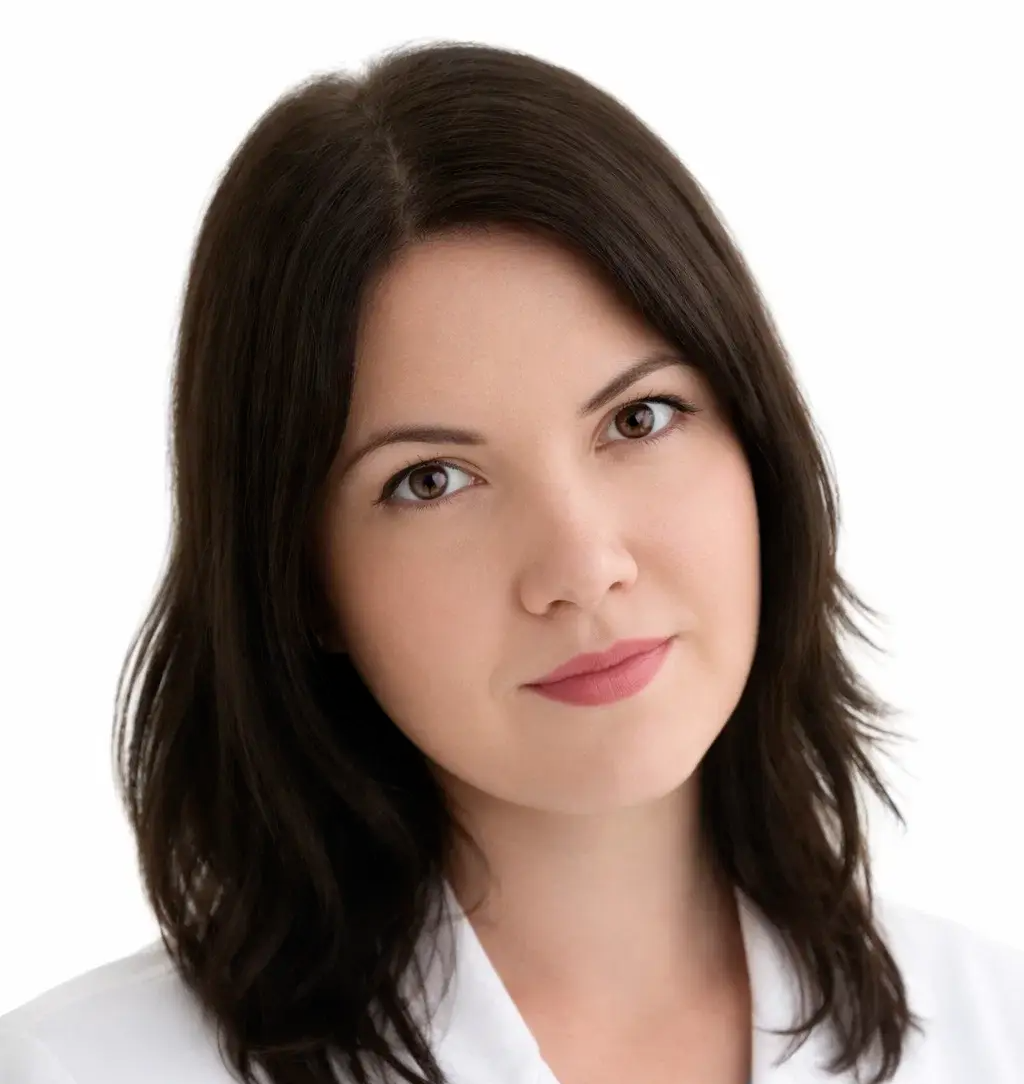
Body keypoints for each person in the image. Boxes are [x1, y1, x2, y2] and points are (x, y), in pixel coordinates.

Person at [1, 38, 1021, 1084]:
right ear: (301, 578)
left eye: (639, 417)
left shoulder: (995, 1031)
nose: (582, 566)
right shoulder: (81, 1070)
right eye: (431, 479)